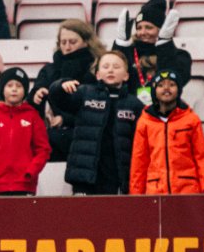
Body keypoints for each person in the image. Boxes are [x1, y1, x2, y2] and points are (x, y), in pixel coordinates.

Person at [49, 50, 144, 194]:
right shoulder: (84, 93)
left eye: (116, 67)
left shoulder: (135, 104)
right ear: (98, 74)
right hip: (85, 175)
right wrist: (60, 85)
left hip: (118, 177)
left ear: (126, 75)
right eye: (105, 66)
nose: (111, 70)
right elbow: (58, 100)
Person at [129, 70, 204, 194]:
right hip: (155, 191)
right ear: (154, 90)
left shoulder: (191, 119)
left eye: (171, 85)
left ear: (179, 89)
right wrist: (136, 194)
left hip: (187, 191)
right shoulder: (145, 122)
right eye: (161, 85)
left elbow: (201, 156)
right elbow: (139, 162)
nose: (166, 88)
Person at [28, 19, 103, 161]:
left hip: (85, 131)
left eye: (73, 42)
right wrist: (36, 96)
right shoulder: (49, 69)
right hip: (53, 131)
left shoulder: (95, 68)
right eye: (63, 43)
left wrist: (64, 119)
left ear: (86, 42)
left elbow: (96, 107)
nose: (67, 47)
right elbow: (32, 102)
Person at [0, 68, 51, 195]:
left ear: (25, 90)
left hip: (25, 186)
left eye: (19, 86)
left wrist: (30, 173)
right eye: (9, 85)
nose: (14, 89)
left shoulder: (33, 117)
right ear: (3, 89)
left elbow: (43, 150)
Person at [112, 0, 191, 96]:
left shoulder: (179, 55)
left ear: (161, 29)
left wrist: (164, 43)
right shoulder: (129, 51)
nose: (142, 32)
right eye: (139, 28)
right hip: (129, 109)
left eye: (149, 27)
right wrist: (121, 45)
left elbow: (176, 79)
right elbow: (113, 78)